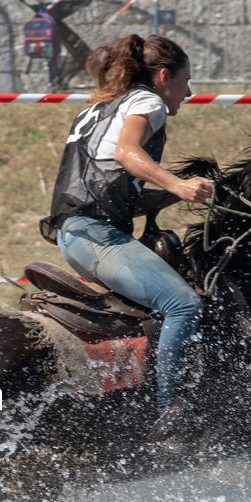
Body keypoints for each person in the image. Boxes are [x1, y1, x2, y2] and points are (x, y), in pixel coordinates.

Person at [42, 34, 212, 432]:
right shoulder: (148, 102)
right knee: (184, 305)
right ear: (165, 75)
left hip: (77, 229)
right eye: (186, 80)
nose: (189, 92)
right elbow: (126, 154)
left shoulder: (100, 107)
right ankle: (171, 412)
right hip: (95, 236)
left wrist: (165, 198)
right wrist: (177, 186)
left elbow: (104, 183)